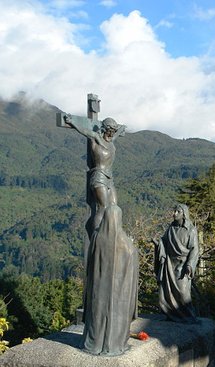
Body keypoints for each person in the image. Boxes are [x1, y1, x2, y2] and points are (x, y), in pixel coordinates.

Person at [82, 205, 138, 356]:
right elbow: (132, 278)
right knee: (116, 316)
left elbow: (89, 266)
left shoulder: (96, 238)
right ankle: (115, 343)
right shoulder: (128, 245)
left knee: (98, 315)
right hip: (120, 295)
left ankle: (95, 343)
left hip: (98, 292)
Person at [65, 115, 125, 234]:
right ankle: (97, 234)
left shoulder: (111, 141)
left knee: (114, 207)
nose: (112, 134)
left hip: (110, 178)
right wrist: (72, 122)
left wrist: (121, 129)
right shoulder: (96, 138)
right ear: (104, 130)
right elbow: (85, 131)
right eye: (110, 131)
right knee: (103, 207)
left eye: (113, 132)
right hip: (99, 176)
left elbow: (116, 135)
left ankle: (114, 233)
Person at [154, 204, 199, 323]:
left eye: (177, 211)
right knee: (167, 292)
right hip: (169, 264)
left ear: (184, 214)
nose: (174, 214)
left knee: (183, 294)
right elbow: (164, 242)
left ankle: (189, 317)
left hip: (182, 265)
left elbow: (195, 249)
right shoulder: (171, 228)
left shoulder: (191, 229)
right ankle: (172, 315)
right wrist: (158, 244)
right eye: (174, 211)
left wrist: (190, 265)